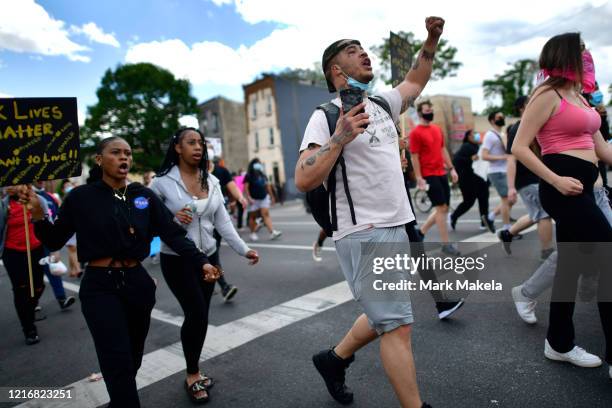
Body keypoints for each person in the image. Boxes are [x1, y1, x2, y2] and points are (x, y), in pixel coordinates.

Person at [295, 16, 445, 408]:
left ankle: (333, 359)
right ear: (336, 69)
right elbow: (303, 178)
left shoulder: (381, 103)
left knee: (387, 315)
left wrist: (431, 39)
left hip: (397, 224)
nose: (363, 53)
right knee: (397, 326)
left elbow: (415, 80)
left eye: (363, 48)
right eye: (351, 50)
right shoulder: (325, 115)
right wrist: (340, 137)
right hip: (364, 232)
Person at [24, 136, 219, 407]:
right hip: (100, 285)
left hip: (137, 284)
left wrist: (202, 262)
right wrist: (37, 215)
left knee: (131, 358)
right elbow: (54, 240)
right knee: (116, 358)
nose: (124, 158)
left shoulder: (143, 196)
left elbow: (173, 234)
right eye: (116, 152)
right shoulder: (81, 197)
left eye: (127, 153)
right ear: (99, 159)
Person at [512, 32, 612, 378]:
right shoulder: (547, 95)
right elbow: (520, 147)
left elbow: (602, 151)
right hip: (562, 187)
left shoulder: (581, 98)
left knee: (570, 264)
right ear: (566, 55)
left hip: (585, 186)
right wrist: (555, 180)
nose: (587, 55)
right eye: (582, 50)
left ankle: (558, 342)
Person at [151, 127, 259, 403]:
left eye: (200, 143)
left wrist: (244, 250)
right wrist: (175, 220)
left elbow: (223, 221)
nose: (198, 147)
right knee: (196, 313)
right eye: (191, 142)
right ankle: (192, 375)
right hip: (177, 260)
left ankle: (194, 369)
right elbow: (153, 226)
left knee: (201, 317)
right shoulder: (161, 183)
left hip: (209, 259)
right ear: (177, 147)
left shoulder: (211, 180)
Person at [498, 96, 554, 260]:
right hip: (527, 180)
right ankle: (547, 253)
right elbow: (511, 160)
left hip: (538, 178)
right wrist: (511, 187)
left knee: (535, 213)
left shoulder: (534, 124)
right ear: (523, 107)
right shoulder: (517, 129)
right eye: (531, 101)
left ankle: (507, 234)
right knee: (544, 214)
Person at [409, 100, 460, 256]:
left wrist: (452, 168)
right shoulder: (415, 133)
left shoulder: (437, 129)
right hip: (428, 175)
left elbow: (443, 149)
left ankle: (421, 233)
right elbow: (414, 157)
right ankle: (445, 244)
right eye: (426, 110)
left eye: (431, 109)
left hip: (441, 173)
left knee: (443, 208)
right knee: (440, 208)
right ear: (419, 113)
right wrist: (419, 177)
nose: (429, 111)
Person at [0, 185, 49, 344]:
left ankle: (29, 310)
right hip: (12, 252)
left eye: (15, 183)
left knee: (38, 286)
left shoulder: (38, 199)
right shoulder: (3, 205)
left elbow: (47, 220)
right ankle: (29, 328)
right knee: (21, 289)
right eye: (7, 184)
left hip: (36, 249)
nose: (11, 187)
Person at [33, 181, 76, 310]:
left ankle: (62, 298)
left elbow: (57, 219)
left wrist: (55, 248)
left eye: (43, 178)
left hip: (46, 243)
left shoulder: (50, 197)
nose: (41, 180)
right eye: (37, 178)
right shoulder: (21, 198)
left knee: (53, 270)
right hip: (28, 246)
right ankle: (33, 302)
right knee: (35, 276)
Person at [210, 156, 248, 301]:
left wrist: (240, 197)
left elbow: (231, 185)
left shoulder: (220, 171)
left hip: (218, 217)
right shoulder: (194, 172)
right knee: (203, 255)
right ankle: (220, 284)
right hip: (198, 221)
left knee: (213, 252)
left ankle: (223, 286)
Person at [449, 129, 494, 233]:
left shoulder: (478, 146)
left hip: (480, 179)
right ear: (468, 136)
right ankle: (453, 216)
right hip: (468, 180)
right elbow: (457, 160)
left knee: (484, 200)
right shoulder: (466, 146)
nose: (477, 135)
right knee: (469, 201)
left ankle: (484, 222)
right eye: (474, 134)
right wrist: (470, 159)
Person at [482, 111, 512, 231]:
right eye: (499, 117)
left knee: (510, 199)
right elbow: (484, 156)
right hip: (496, 171)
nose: (502, 118)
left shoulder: (501, 134)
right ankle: (506, 228)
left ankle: (490, 217)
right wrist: (503, 157)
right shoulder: (490, 135)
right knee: (506, 199)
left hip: (504, 170)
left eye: (503, 116)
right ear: (492, 120)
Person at [245, 158, 282, 241]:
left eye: (260, 163)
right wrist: (249, 198)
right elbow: (246, 188)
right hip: (254, 199)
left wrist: (272, 196)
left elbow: (267, 186)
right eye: (257, 163)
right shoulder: (249, 176)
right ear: (253, 165)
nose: (259, 165)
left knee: (266, 214)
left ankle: (272, 232)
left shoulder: (262, 175)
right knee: (253, 217)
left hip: (264, 198)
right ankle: (252, 233)